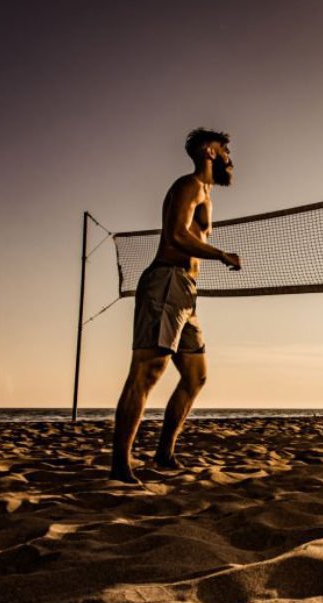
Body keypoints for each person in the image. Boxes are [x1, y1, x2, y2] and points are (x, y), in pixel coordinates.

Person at [109, 128, 241, 483]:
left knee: (196, 376)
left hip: (186, 292)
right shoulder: (190, 185)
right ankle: (120, 464)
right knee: (146, 374)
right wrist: (221, 254)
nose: (231, 157)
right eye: (226, 150)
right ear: (209, 151)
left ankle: (164, 453)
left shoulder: (205, 194)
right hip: (166, 282)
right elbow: (176, 235)